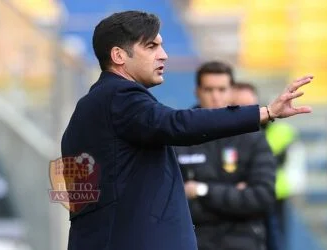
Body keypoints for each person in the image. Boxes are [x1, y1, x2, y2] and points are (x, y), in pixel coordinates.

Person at [61, 11, 313, 250]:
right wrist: (264, 112)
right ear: (118, 55)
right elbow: (177, 124)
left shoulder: (94, 105)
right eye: (151, 46)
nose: (164, 55)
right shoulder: (120, 97)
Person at [175, 62, 279, 250]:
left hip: (243, 243)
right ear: (197, 91)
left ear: (232, 91)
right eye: (209, 89)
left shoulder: (253, 138)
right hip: (195, 242)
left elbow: (263, 198)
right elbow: (173, 204)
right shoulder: (178, 137)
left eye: (222, 89)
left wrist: (200, 191)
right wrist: (235, 197)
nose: (215, 96)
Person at [233, 83, 306, 249]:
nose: (246, 111)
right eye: (240, 107)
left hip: (273, 195)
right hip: (238, 196)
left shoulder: (281, 131)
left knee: (274, 239)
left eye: (250, 106)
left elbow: (293, 162)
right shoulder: (223, 133)